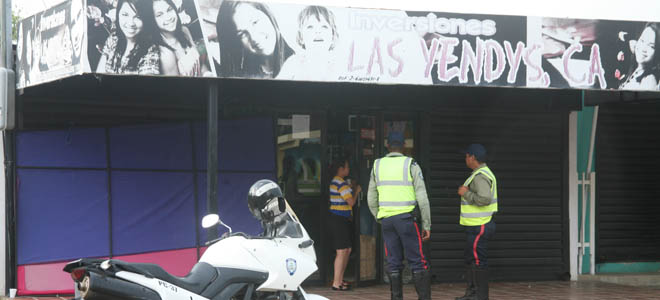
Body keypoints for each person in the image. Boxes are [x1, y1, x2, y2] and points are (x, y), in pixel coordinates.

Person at [367, 131, 431, 300]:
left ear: (387, 146)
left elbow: (371, 197)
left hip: (388, 221)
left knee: (393, 262)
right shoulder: (411, 164)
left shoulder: (377, 165)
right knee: (417, 261)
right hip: (407, 220)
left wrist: (379, 216)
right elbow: (422, 197)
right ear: (403, 147)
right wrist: (426, 224)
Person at [455, 144, 497, 300]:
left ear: (473, 157)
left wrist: (466, 194)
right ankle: (472, 293)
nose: (465, 159)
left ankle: (480, 295)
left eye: (466, 156)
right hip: (476, 225)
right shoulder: (479, 174)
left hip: (480, 224)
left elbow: (485, 199)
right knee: (471, 258)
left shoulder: (481, 176)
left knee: (478, 259)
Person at [215, 0, 294, 78]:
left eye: (255, 22)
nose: (254, 37)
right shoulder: (242, 76)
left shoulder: (300, 64)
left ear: (268, 14)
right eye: (242, 34)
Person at [97, 0, 161, 74]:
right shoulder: (114, 38)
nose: (131, 23)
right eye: (125, 14)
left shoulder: (151, 51)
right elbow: (99, 75)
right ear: (118, 14)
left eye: (138, 16)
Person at [277, 5, 339, 81]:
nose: (318, 31)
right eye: (310, 27)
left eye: (324, 26)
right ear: (301, 37)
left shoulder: (338, 65)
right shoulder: (293, 63)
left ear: (333, 36)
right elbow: (276, 87)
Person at [152, 0, 210, 76]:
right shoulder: (164, 54)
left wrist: (207, 74)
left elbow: (201, 64)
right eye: (159, 15)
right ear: (153, 20)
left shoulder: (184, 30)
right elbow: (177, 86)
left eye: (169, 10)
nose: (168, 17)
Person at [328, 158, 361, 291]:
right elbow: (351, 202)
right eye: (347, 167)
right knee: (341, 251)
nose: (348, 170)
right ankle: (336, 283)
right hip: (338, 219)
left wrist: (351, 188)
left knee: (347, 250)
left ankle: (340, 280)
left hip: (341, 219)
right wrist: (357, 191)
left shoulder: (338, 182)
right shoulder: (340, 183)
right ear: (340, 169)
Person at [619, 23, 660, 90]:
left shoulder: (649, 81)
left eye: (651, 46)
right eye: (642, 40)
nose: (643, 48)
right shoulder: (637, 69)